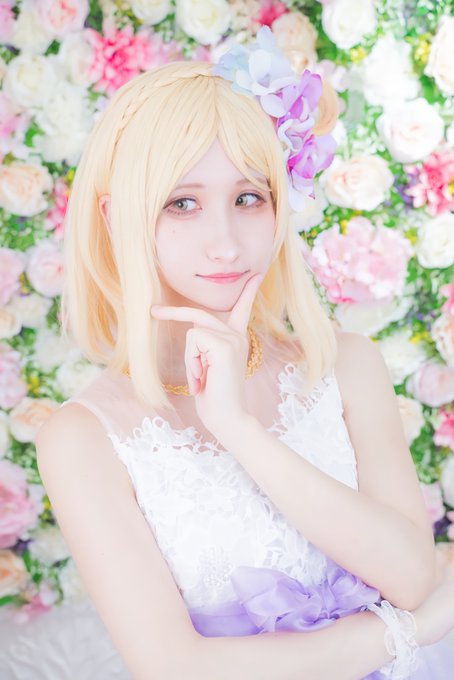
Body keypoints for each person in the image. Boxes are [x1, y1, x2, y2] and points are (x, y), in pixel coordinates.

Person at [35, 28, 454, 680]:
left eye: (249, 198)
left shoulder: (345, 365)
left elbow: (410, 574)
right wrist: (404, 634)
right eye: (182, 203)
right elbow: (173, 667)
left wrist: (240, 429)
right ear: (117, 218)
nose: (225, 242)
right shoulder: (83, 438)